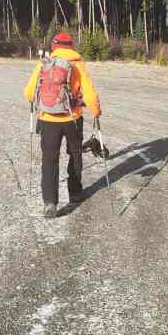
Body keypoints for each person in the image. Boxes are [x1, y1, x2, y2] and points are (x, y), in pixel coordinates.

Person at [23, 32, 102, 218]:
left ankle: (50, 203)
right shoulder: (77, 64)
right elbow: (90, 94)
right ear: (71, 46)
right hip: (72, 118)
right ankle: (75, 193)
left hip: (48, 119)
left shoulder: (45, 63)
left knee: (49, 160)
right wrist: (96, 111)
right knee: (75, 155)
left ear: (54, 46)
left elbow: (29, 93)